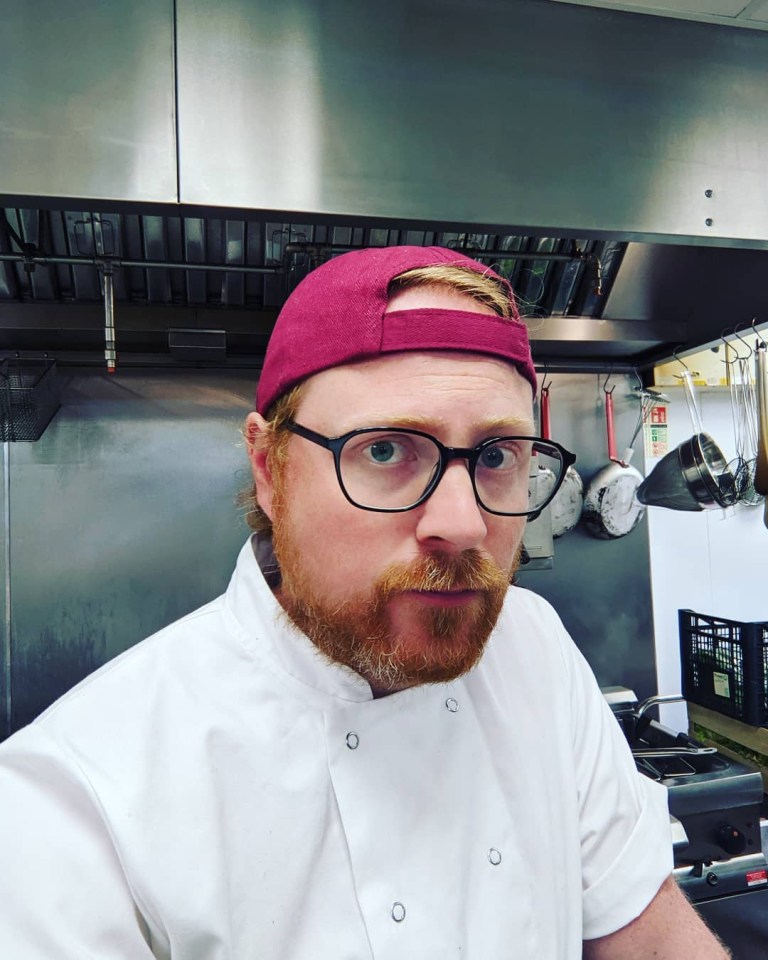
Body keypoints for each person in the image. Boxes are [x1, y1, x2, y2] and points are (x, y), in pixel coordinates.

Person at [0, 245, 728, 959]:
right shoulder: (75, 801)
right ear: (269, 468)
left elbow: (650, 934)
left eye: (498, 457)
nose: (463, 525)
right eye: (385, 451)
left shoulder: (532, 645)